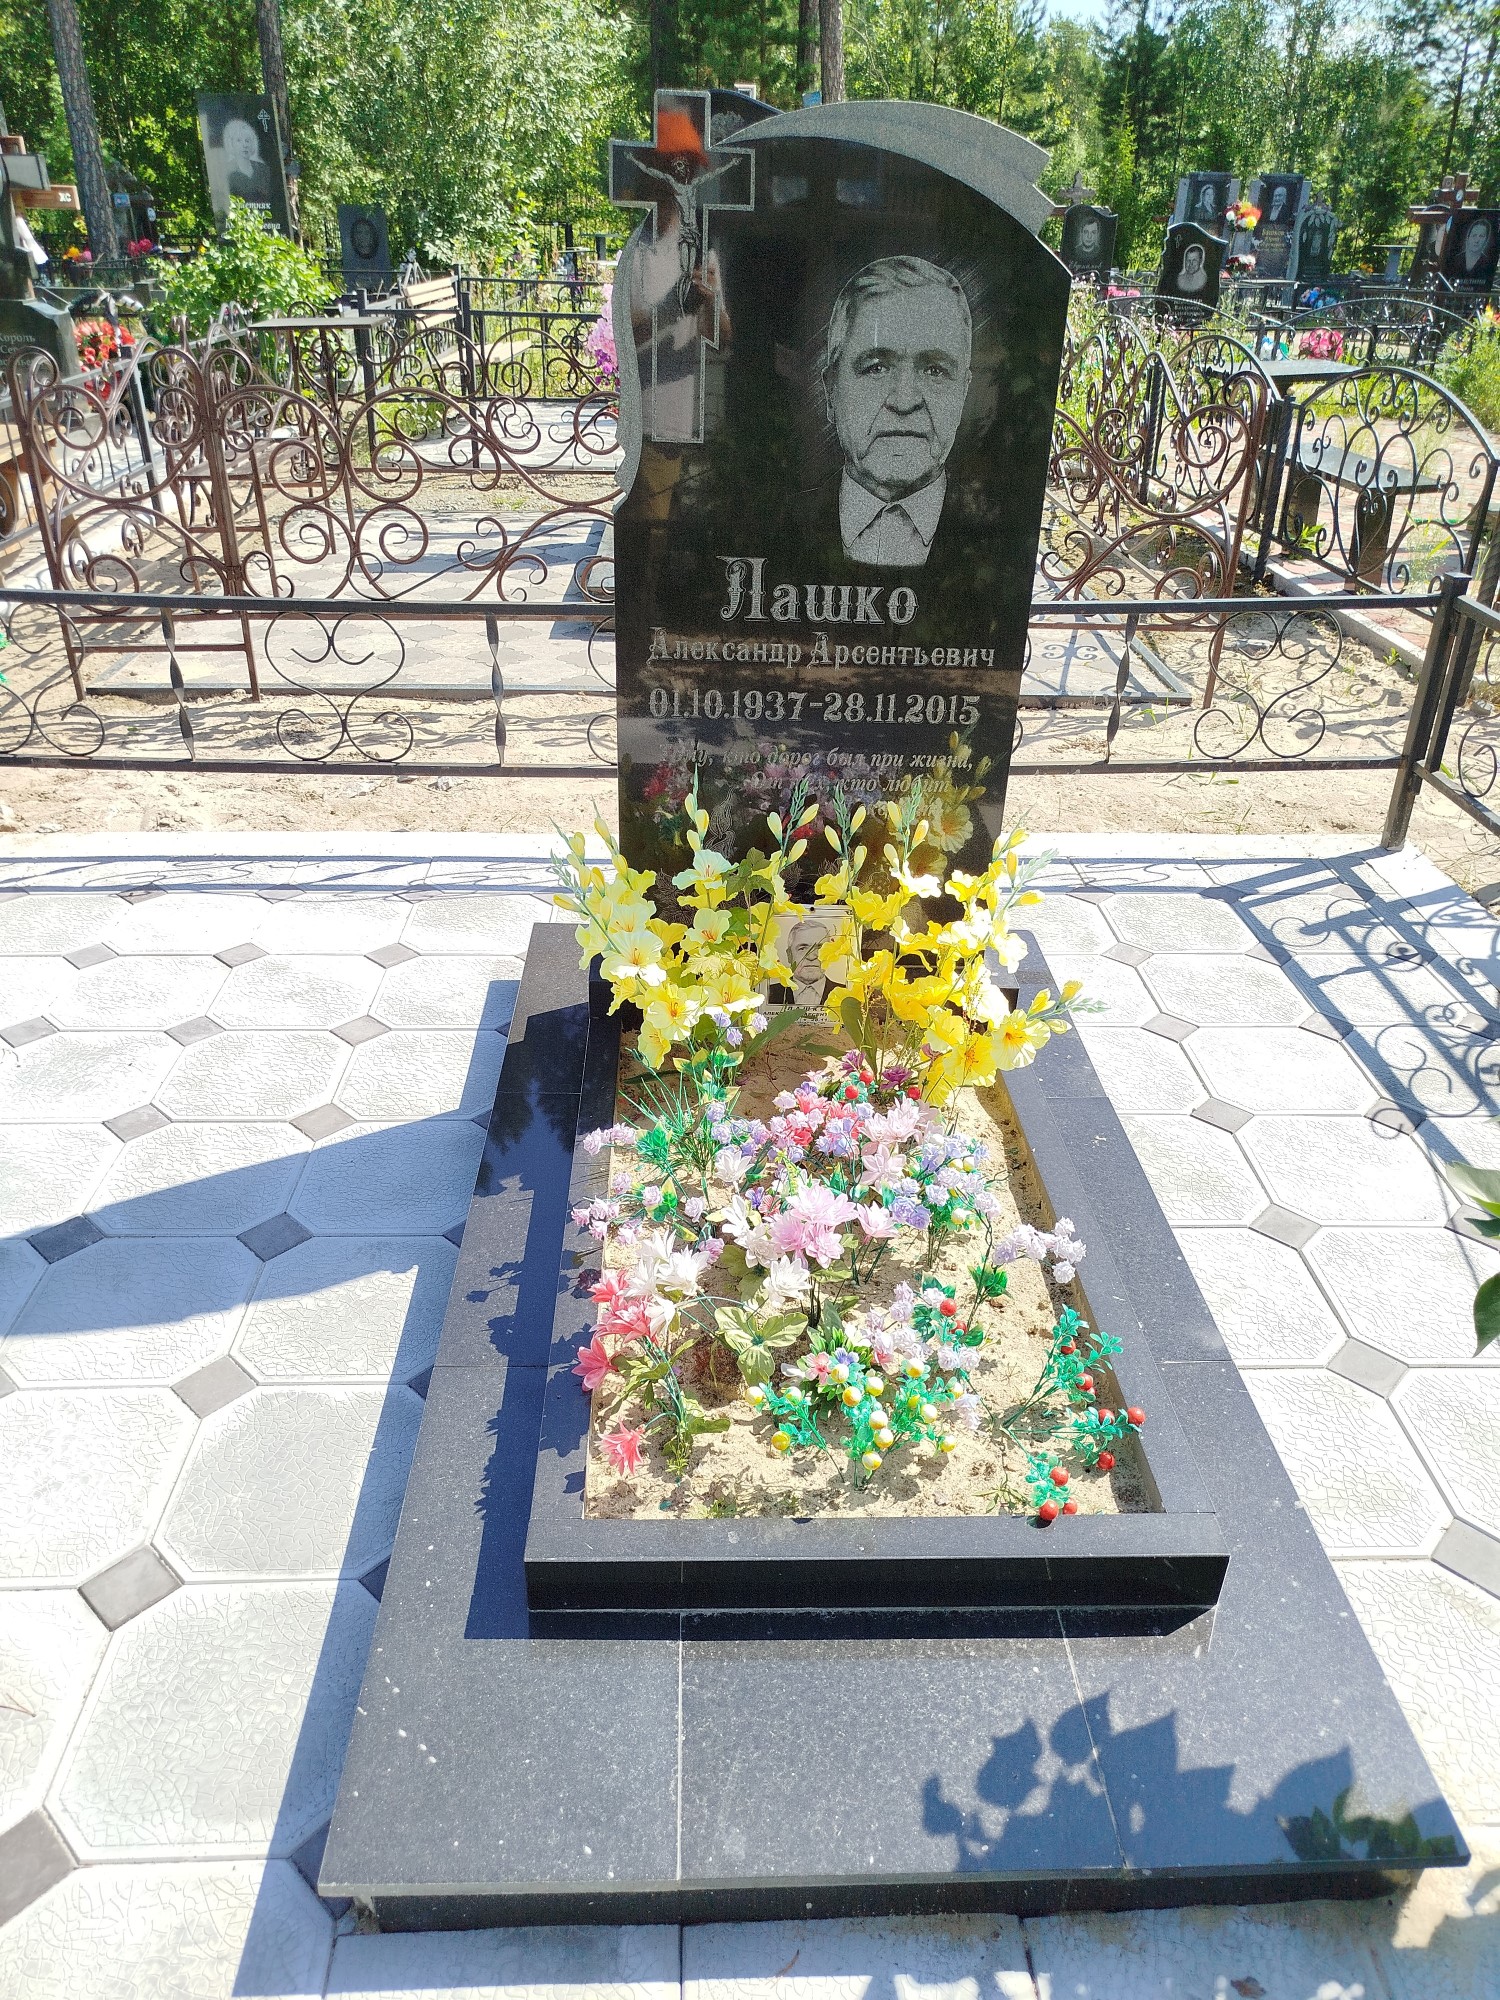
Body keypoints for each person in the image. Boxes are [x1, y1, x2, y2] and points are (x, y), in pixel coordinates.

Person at [821, 255, 972, 569]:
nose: (904, 402)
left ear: (963, 392)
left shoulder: (999, 530)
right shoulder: (774, 523)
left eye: (934, 370)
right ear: (831, 391)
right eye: (876, 368)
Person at [220, 117, 266, 198]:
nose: (244, 145)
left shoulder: (263, 169)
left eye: (247, 141)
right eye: (239, 140)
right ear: (232, 144)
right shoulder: (226, 170)